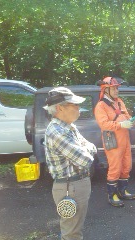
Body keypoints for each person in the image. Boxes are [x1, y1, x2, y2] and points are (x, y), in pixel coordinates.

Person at [44, 87, 97, 239]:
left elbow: (91, 147)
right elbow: (85, 159)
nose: (78, 108)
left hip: (74, 185)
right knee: (72, 234)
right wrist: (85, 149)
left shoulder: (68, 126)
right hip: (70, 188)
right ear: (60, 108)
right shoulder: (57, 131)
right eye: (74, 105)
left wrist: (85, 148)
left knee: (74, 230)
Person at [94, 76, 135, 208]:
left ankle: (122, 190)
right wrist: (121, 125)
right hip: (112, 140)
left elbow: (127, 115)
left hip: (125, 139)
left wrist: (131, 121)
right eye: (114, 88)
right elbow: (103, 124)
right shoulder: (101, 106)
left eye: (117, 88)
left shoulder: (119, 102)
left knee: (126, 166)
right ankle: (112, 194)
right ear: (106, 90)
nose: (117, 90)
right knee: (115, 167)